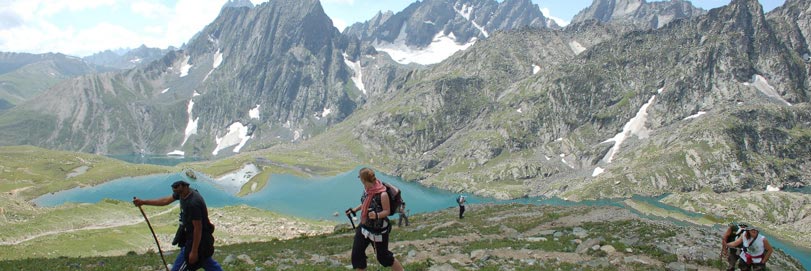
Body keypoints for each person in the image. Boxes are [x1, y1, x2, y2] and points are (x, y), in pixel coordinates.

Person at [133, 180, 223, 271]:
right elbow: (166, 201)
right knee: (205, 261)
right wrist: (143, 202)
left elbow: (198, 228)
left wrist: (194, 251)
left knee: (180, 266)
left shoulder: (193, 203)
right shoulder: (183, 193)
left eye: (178, 190)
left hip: (196, 241)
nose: (177, 193)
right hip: (195, 239)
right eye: (175, 191)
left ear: (185, 187)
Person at [345, 168, 405, 271]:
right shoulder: (367, 190)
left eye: (360, 178)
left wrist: (376, 215)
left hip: (378, 230)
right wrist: (355, 210)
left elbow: (386, 211)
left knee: (383, 257)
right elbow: (365, 203)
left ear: (364, 179)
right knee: (357, 254)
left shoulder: (383, 194)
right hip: (364, 227)